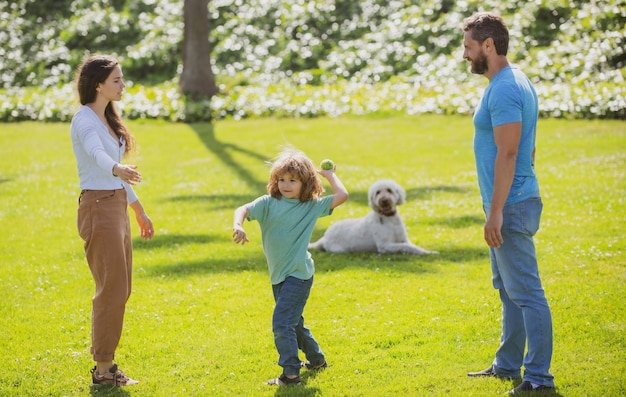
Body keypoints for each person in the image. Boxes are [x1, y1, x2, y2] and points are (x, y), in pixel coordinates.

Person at [461, 13, 555, 394]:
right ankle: (507, 365)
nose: (464, 54)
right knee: (508, 290)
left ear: (488, 45)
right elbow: (528, 146)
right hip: (509, 201)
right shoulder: (513, 81)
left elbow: (511, 150)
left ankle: (538, 379)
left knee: (528, 293)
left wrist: (497, 210)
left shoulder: (503, 88)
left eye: (468, 46)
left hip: (511, 206)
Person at [70, 54, 154, 386]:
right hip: (98, 208)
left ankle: (106, 366)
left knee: (122, 288)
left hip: (115, 204)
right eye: (117, 80)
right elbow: (96, 153)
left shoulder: (107, 117)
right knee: (111, 289)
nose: (123, 85)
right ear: (98, 84)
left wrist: (138, 209)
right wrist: (117, 168)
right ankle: (103, 370)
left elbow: (114, 173)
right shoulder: (85, 120)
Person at [232, 148, 348, 386]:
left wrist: (329, 175)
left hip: (299, 274)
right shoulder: (268, 203)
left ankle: (291, 373)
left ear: (305, 183)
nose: (286, 184)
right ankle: (317, 361)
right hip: (279, 276)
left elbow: (342, 195)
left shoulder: (311, 206)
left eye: (293, 180)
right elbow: (242, 209)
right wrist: (238, 224)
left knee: (282, 322)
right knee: (294, 323)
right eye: (281, 179)